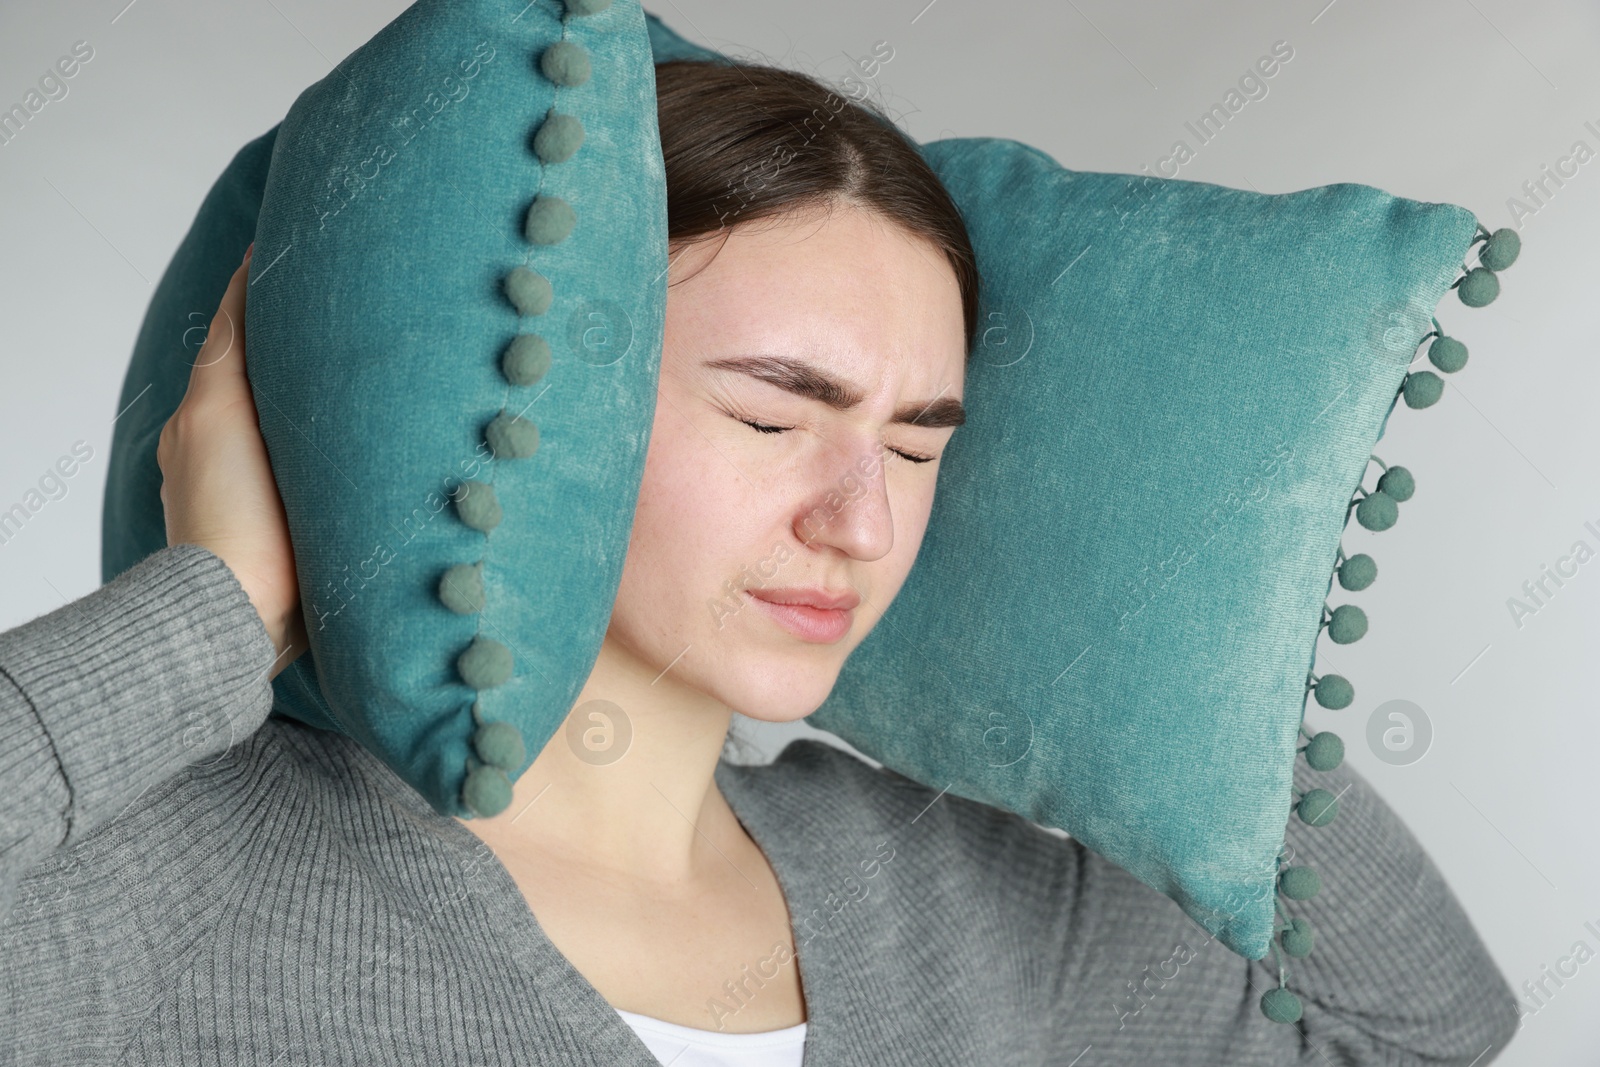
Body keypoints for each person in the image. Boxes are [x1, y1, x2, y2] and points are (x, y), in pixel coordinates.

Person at [0, 59, 1519, 1066]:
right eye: (773, 413)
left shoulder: (943, 891)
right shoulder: (175, 865)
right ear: (541, 410)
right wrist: (213, 612)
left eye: (920, 444)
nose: (859, 520)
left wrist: (1191, 650)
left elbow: (1417, 1033)